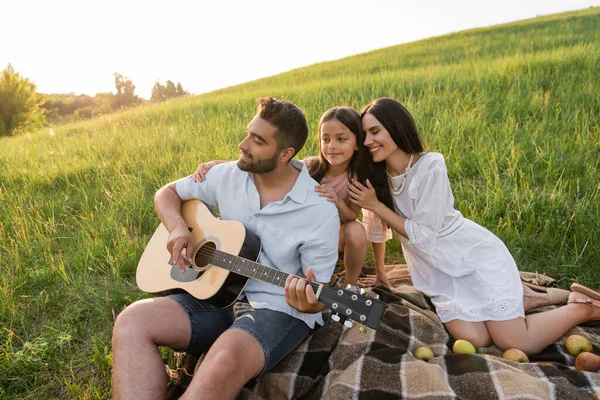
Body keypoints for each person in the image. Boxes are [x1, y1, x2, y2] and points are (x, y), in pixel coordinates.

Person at [111, 97, 340, 399]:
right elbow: (166, 193)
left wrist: (311, 302)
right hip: (215, 292)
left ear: (286, 153)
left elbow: (318, 291)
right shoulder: (228, 175)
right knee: (132, 320)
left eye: (257, 141)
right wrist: (178, 227)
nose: (242, 145)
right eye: (248, 133)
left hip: (277, 306)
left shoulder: (319, 210)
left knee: (223, 359)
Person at [348, 97, 600, 355]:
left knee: (513, 343)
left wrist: (378, 206)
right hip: (437, 272)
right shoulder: (378, 175)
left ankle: (583, 306)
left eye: (375, 131)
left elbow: (423, 236)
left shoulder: (430, 166)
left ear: (397, 127)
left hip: (472, 255)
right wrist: (380, 271)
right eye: (364, 134)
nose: (367, 141)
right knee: (477, 339)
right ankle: (524, 299)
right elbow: (376, 227)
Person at [193, 106, 392, 291]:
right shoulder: (310, 167)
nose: (332, 146)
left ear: (357, 144)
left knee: (356, 230)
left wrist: (337, 201)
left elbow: (351, 216)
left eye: (341, 139)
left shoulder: (357, 178)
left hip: (336, 235)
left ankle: (350, 286)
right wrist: (217, 165)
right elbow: (271, 166)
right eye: (326, 139)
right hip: (303, 232)